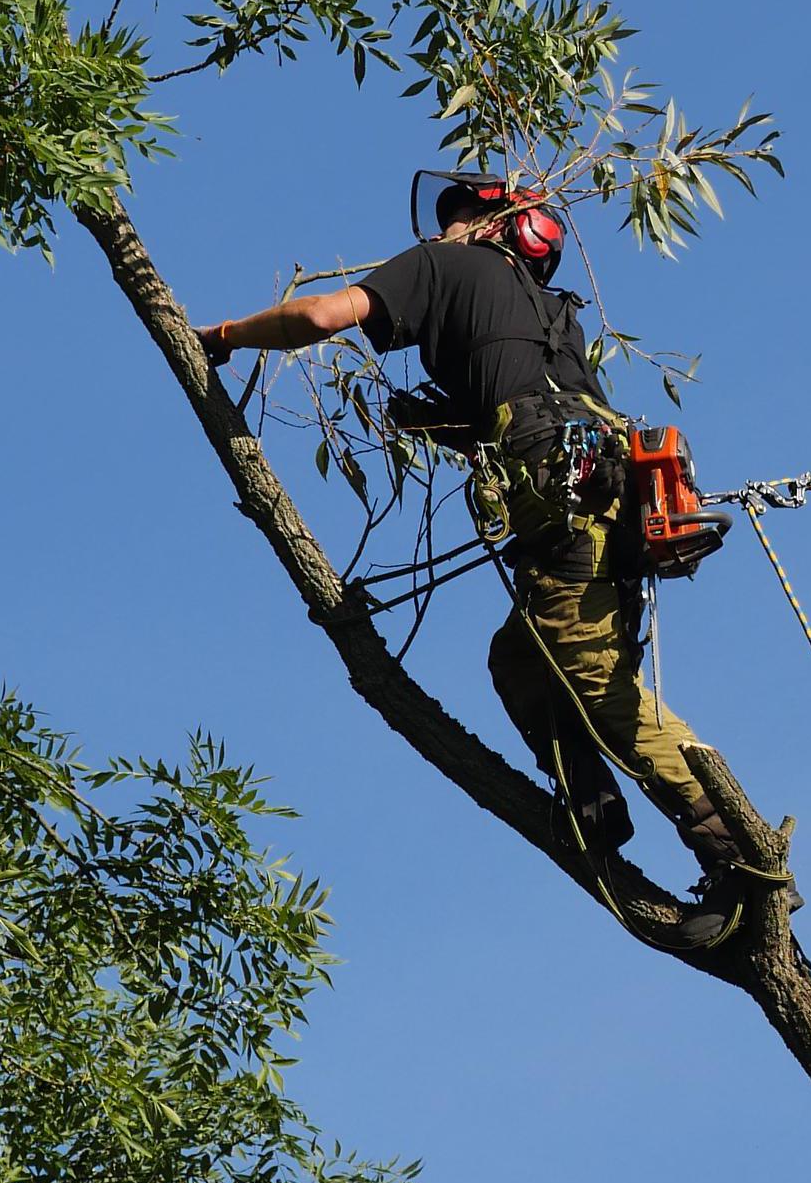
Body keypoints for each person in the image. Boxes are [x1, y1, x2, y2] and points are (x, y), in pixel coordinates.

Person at [196, 178, 758, 948]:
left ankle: (738, 857)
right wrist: (455, 429)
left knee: (597, 682)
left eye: (456, 215)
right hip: (605, 504)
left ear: (490, 223)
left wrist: (226, 334)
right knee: (522, 661)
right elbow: (533, 405)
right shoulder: (549, 311)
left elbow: (321, 315)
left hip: (567, 511)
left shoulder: (442, 263)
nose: (443, 228)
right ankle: (592, 808)